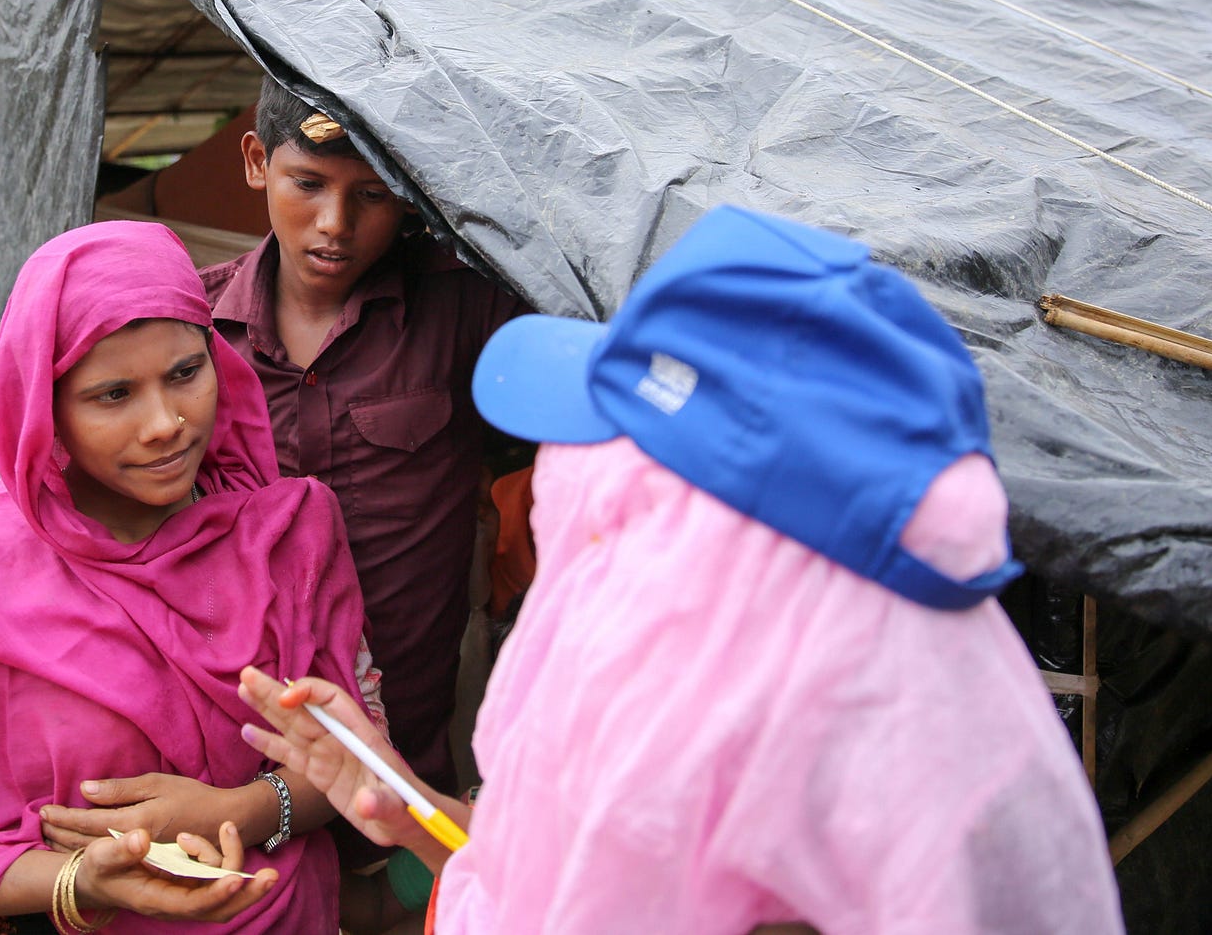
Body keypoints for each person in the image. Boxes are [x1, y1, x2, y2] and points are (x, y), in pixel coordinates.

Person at [240, 206, 1127, 934]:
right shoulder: (806, 691)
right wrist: (410, 807)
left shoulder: (756, 736)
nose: (579, 494)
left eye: (624, 478)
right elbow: (557, 884)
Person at [0, 221, 376, 934]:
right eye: (113, 393)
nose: (165, 423)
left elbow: (364, 754)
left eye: (185, 373)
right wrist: (81, 879)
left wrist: (240, 811)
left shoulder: (290, 534)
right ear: (45, 408)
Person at [196, 77, 525, 797]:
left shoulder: (466, 305)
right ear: (256, 162)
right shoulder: (192, 333)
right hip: (247, 729)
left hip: (415, 729)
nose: (335, 223)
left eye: (372, 193)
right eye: (308, 184)